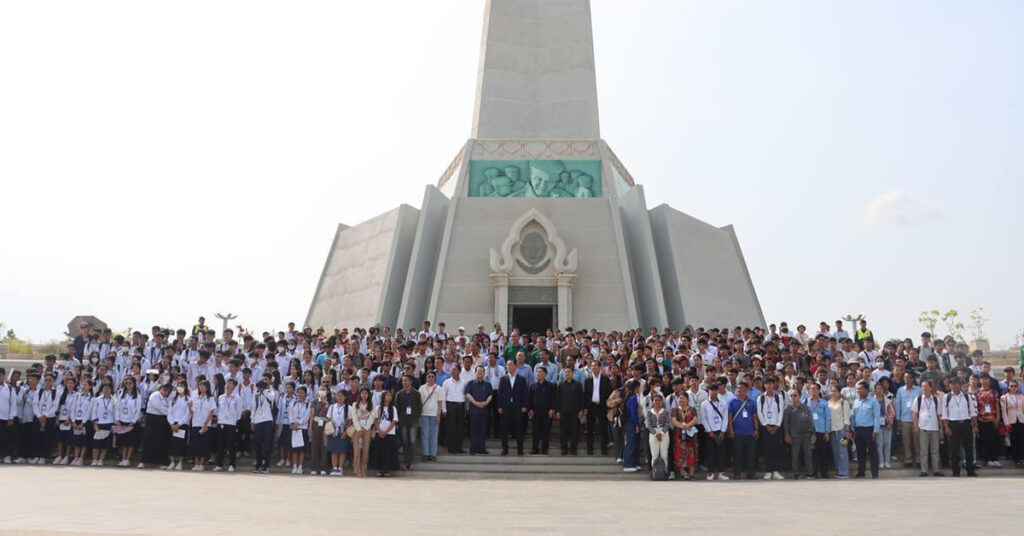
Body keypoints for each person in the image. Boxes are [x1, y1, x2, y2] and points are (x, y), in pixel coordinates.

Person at [942, 377, 978, 477]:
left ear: (960, 385)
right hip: (954, 424)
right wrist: (946, 427)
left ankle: (970, 470)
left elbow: (972, 412)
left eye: (955, 384)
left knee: (968, 448)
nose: (953, 386)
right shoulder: (947, 397)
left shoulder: (967, 396)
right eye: (951, 384)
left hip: (966, 423)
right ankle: (955, 471)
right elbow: (944, 414)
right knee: (954, 449)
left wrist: (975, 425)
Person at [912, 379, 944, 477]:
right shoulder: (918, 399)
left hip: (934, 428)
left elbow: (939, 415)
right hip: (923, 427)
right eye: (923, 387)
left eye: (926, 386)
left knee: (935, 450)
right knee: (923, 450)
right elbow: (915, 414)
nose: (924, 389)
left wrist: (941, 428)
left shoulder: (936, 400)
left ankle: (936, 470)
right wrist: (915, 426)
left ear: (931, 388)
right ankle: (924, 470)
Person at [727, 381, 758, 480]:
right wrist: (731, 430)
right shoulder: (732, 402)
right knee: (737, 455)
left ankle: (751, 473)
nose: (740, 390)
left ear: (746, 390)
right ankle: (737, 474)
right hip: (737, 433)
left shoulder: (751, 402)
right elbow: (729, 417)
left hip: (750, 432)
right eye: (738, 388)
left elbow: (754, 416)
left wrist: (756, 429)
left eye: (742, 388)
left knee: (751, 455)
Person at [757, 377, 785, 479]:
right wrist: (766, 426)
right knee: (767, 449)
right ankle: (768, 471)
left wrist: (777, 425)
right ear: (764, 385)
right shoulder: (760, 398)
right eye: (767, 384)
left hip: (777, 426)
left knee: (777, 449)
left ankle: (776, 471)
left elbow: (781, 412)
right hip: (766, 427)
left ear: (774, 385)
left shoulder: (779, 397)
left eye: (771, 384)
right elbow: (759, 413)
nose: (769, 386)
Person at [850, 381, 880, 478]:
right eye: (857, 389)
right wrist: (853, 429)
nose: (858, 390)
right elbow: (853, 416)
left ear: (866, 390)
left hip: (869, 429)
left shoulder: (873, 401)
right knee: (860, 452)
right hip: (858, 430)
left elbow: (877, 416)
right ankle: (861, 471)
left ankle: (874, 472)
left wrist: (876, 430)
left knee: (872, 452)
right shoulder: (855, 402)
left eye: (861, 388)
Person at [497, 360, 527, 456]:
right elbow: (499, 393)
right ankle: (505, 449)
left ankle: (520, 449)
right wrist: (499, 406)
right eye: (507, 365)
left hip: (518, 407)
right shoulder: (503, 379)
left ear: (515, 366)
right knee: (505, 429)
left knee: (519, 429)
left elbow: (525, 393)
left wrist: (524, 405)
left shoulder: (521, 379)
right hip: (506, 407)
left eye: (511, 365)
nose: (509, 366)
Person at [700, 382, 729, 480]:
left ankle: (721, 472)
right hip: (710, 432)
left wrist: (723, 430)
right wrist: (709, 431)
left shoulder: (723, 403)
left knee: (722, 452)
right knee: (710, 452)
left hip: (721, 431)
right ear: (709, 391)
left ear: (718, 391)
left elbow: (725, 417)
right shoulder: (704, 404)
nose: (714, 392)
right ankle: (710, 472)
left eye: (716, 390)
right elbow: (704, 419)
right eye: (712, 390)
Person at [783, 389, 814, 479]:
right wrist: (787, 434)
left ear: (799, 396)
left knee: (808, 455)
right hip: (794, 435)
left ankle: (810, 473)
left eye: (795, 395)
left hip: (806, 435)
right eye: (791, 396)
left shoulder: (805, 407)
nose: (793, 397)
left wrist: (813, 432)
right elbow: (785, 423)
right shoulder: (787, 408)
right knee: (795, 455)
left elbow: (810, 420)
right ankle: (796, 473)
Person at [555, 365, 585, 455]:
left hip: (575, 413)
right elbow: (557, 399)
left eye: (569, 372)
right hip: (563, 412)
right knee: (563, 432)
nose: (567, 374)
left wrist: (581, 410)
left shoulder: (578, 385)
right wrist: (557, 411)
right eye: (565, 372)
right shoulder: (561, 385)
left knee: (574, 432)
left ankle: (573, 449)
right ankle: (564, 449)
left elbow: (581, 398)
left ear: (572, 373)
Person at [187, 380, 216, 471]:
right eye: (200, 386)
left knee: (203, 444)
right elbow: (192, 412)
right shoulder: (196, 398)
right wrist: (189, 407)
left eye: (204, 386)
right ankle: (196, 463)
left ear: (207, 387)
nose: (202, 388)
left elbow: (211, 412)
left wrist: (206, 424)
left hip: (205, 424)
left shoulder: (210, 398)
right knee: (195, 444)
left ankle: (201, 463)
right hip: (196, 423)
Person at [369, 389, 399, 477]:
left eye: (390, 395)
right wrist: (379, 430)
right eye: (388, 395)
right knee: (380, 452)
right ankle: (380, 469)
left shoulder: (393, 408)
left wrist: (386, 431)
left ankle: (387, 470)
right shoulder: (378, 408)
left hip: (390, 433)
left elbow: (394, 421)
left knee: (388, 452)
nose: (389, 397)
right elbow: (375, 420)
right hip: (379, 433)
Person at [670, 389, 699, 480]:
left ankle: (691, 473)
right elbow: (673, 420)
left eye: (683, 398)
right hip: (679, 434)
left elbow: (695, 419)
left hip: (691, 434)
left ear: (687, 400)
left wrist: (688, 425)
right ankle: (682, 473)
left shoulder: (692, 409)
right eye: (680, 398)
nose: (681, 400)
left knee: (691, 452)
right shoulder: (674, 410)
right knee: (679, 452)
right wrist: (682, 426)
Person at [395, 375, 422, 470]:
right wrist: (398, 420)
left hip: (413, 420)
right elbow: (397, 408)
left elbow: (419, 407)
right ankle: (406, 462)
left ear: (410, 381)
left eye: (405, 380)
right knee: (405, 442)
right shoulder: (399, 394)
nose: (404, 382)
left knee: (412, 441)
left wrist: (417, 418)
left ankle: (411, 462)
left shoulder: (416, 393)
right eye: (403, 381)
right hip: (403, 421)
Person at [894, 372, 920, 467]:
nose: (906, 379)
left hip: (917, 420)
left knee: (917, 441)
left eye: (909, 377)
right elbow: (897, 405)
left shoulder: (919, 390)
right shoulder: (900, 390)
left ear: (913, 379)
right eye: (905, 377)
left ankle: (918, 460)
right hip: (905, 419)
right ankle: (908, 459)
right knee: (906, 441)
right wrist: (898, 419)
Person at [465, 366, 494, 455]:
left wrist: (486, 402)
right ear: (475, 373)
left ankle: (482, 448)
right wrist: (475, 403)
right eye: (478, 371)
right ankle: (473, 448)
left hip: (484, 410)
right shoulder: (470, 383)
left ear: (484, 373)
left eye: (482, 371)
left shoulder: (488, 384)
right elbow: (467, 394)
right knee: (474, 429)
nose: (480, 373)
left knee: (483, 429)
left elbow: (490, 395)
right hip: (474, 410)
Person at [584, 362, 611, 455]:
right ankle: (589, 448)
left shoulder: (605, 379)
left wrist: (608, 407)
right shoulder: (588, 380)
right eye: (592, 366)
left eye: (595, 365)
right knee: (590, 428)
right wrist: (585, 407)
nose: (594, 367)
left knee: (603, 428)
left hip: (602, 406)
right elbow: (585, 395)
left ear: (600, 367)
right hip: (591, 406)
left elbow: (608, 393)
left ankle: (604, 449)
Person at [250, 380, 277, 474]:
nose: (258, 389)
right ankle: (258, 464)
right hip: (258, 421)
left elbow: (271, 398)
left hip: (268, 420)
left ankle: (266, 465)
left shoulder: (270, 392)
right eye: (258, 387)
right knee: (257, 444)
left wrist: (265, 390)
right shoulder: (256, 396)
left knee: (267, 444)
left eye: (260, 387)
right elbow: (253, 408)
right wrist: (252, 421)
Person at [527, 366, 556, 455]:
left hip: (547, 412)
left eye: (540, 372)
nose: (538, 374)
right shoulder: (533, 386)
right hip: (535, 412)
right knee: (535, 431)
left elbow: (554, 398)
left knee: (546, 432)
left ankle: (544, 449)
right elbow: (529, 399)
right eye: (537, 372)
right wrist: (529, 409)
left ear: (545, 374)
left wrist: (552, 409)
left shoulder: (551, 385)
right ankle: (534, 449)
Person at [974, 375, 1002, 467]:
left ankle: (995, 458)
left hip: (992, 419)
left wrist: (998, 417)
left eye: (986, 379)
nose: (985, 381)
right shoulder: (977, 393)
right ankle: (988, 459)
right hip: (981, 419)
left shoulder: (994, 392)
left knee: (994, 439)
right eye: (983, 379)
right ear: (980, 381)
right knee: (984, 440)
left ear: (989, 381)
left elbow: (997, 404)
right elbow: (975, 407)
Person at [214, 379, 241, 472]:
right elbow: (218, 409)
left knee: (231, 445)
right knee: (220, 445)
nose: (228, 385)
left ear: (234, 386)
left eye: (230, 383)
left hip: (231, 423)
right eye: (227, 383)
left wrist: (234, 420)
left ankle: (231, 465)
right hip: (221, 422)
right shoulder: (221, 397)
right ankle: (219, 465)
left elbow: (239, 412)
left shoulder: (237, 398)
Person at [806, 383, 831, 478]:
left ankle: (824, 472)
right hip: (810, 431)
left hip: (821, 431)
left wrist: (827, 431)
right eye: (811, 389)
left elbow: (827, 417)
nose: (813, 391)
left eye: (815, 389)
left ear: (819, 390)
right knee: (813, 453)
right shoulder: (806, 401)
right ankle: (814, 472)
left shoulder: (824, 403)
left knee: (823, 452)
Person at [441, 365, 467, 454]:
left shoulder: (464, 382)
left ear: (459, 372)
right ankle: (451, 448)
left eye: (455, 370)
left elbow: (466, 396)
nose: (452, 371)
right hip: (450, 405)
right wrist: (444, 409)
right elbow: (443, 396)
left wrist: (466, 409)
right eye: (451, 370)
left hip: (461, 406)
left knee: (460, 427)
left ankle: (459, 447)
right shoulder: (446, 382)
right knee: (451, 427)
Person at [418, 371, 442, 462]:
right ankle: (425, 454)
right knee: (425, 434)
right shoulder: (422, 388)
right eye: (429, 376)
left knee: (434, 434)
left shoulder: (438, 388)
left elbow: (440, 402)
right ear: (426, 378)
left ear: (435, 378)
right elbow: (419, 402)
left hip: (434, 414)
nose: (431, 378)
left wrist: (438, 415)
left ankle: (433, 454)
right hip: (424, 414)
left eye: (432, 377)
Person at [89, 382, 116, 466]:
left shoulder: (114, 400)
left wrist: (114, 424)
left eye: (108, 388)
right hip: (99, 423)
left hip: (109, 423)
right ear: (102, 389)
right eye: (105, 388)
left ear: (111, 390)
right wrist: (95, 423)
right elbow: (94, 411)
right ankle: (94, 460)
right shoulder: (98, 399)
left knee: (105, 444)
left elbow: (116, 413)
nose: (106, 390)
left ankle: (101, 460)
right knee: (96, 443)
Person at [166, 383, 191, 471]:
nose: (180, 388)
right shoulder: (173, 399)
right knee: (172, 443)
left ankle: (180, 462)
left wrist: (179, 424)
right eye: (178, 386)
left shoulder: (188, 399)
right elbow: (169, 412)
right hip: (173, 423)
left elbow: (188, 414)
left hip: (182, 424)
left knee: (181, 444)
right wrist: (172, 423)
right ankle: (172, 462)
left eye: (182, 386)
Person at [1000, 380, 1024, 468]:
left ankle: (1022, 459)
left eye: (1015, 386)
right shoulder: (1004, 397)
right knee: (1013, 440)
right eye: (1011, 386)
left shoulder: (1021, 397)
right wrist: (1006, 423)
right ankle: (1016, 459)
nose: (1013, 388)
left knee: (1021, 440)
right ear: (1008, 387)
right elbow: (1004, 411)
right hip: (1011, 421)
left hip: (1021, 420)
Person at [645, 392, 671, 474]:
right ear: (653, 401)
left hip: (664, 433)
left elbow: (667, 423)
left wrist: (661, 433)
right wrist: (656, 434)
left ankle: (664, 471)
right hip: (653, 434)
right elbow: (649, 425)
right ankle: (655, 472)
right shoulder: (649, 412)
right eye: (655, 400)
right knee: (654, 454)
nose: (657, 402)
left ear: (661, 401)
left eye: (659, 400)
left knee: (664, 454)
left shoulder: (665, 412)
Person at [326, 391, 351, 476]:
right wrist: (328, 429)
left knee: (342, 450)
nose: (339, 398)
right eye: (338, 396)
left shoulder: (349, 407)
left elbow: (350, 421)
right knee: (334, 450)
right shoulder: (332, 407)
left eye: (342, 396)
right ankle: (334, 468)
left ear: (345, 397)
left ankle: (340, 468)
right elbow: (328, 418)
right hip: (333, 430)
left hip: (342, 430)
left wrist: (345, 431)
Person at [288, 386, 311, 475]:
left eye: (302, 392)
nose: (300, 394)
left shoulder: (308, 404)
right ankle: (294, 466)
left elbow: (307, 416)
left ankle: (300, 466)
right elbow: (290, 413)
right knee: (294, 449)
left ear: (305, 394)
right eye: (299, 392)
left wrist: (299, 423)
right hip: (294, 428)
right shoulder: (293, 403)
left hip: (303, 428)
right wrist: (292, 423)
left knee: (302, 449)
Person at [308, 385, 331, 475]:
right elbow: (312, 414)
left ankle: (323, 468)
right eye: (320, 389)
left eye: (323, 389)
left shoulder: (330, 402)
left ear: (327, 391)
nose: (321, 391)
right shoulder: (315, 401)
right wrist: (310, 427)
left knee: (324, 446)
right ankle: (314, 467)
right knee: (315, 446)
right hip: (316, 423)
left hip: (325, 424)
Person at [873, 382, 895, 469]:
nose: (879, 390)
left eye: (881, 388)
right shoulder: (872, 400)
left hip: (886, 424)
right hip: (877, 425)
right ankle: (881, 461)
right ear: (875, 390)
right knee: (879, 444)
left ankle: (887, 461)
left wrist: (890, 423)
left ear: (883, 390)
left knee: (887, 443)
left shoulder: (887, 400)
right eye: (877, 388)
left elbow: (891, 413)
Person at [622, 381, 641, 472]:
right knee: (631, 443)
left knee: (634, 443)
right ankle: (628, 464)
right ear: (636, 388)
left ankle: (634, 463)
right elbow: (633, 413)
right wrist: (636, 425)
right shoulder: (633, 398)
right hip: (631, 423)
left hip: (630, 422)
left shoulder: (629, 396)